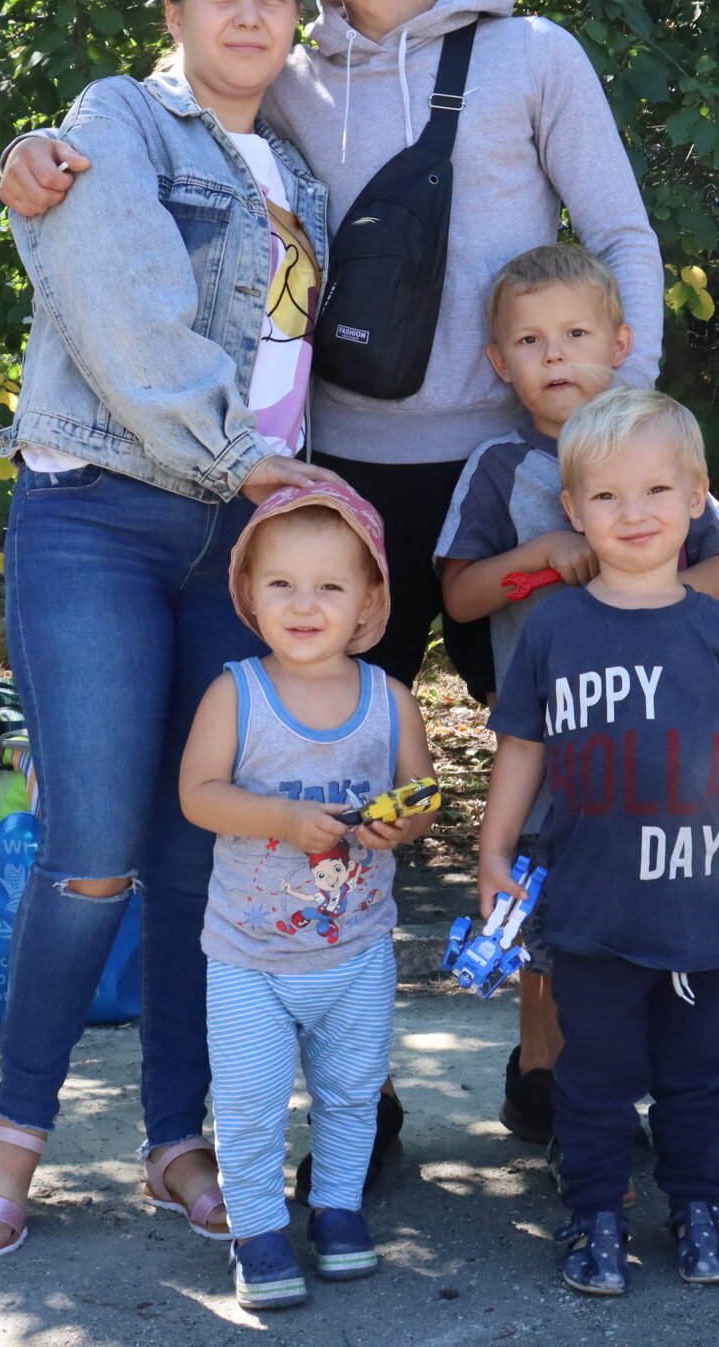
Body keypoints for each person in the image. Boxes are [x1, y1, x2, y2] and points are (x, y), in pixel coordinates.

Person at [0, 0, 667, 708]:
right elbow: (171, 119)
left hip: (517, 460)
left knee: (558, 720)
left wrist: (621, 426)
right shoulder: (284, 75)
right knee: (328, 734)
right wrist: (38, 145)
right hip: (336, 472)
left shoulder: (533, 57)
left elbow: (622, 236)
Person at [0, 0, 352, 1260]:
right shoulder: (116, 119)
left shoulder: (303, 175)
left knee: (199, 855)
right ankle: (14, 1131)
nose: (248, 14)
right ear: (173, 13)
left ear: (295, 23)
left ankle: (178, 1140)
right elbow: (120, 305)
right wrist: (241, 460)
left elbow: (295, 364)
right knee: (94, 851)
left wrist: (286, 498)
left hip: (237, 544)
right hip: (102, 513)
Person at [434, 243, 719, 1176]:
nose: (556, 355)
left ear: (621, 344)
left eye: (577, 333)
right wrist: (543, 556)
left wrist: (639, 598)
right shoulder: (501, 466)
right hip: (553, 747)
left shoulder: (653, 445)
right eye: (530, 340)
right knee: (552, 927)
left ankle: (697, 1097)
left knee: (680, 919)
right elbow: (461, 596)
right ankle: (565, 1103)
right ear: (498, 361)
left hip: (666, 756)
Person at [472, 386, 719, 1297]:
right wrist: (493, 850)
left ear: (696, 498)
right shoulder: (555, 627)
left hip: (702, 903)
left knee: (699, 1070)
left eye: (657, 489)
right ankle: (595, 1212)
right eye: (608, 495)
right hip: (590, 904)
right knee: (594, 1072)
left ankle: (699, 1203)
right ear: (573, 509)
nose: (635, 511)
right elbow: (522, 746)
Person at [178, 484, 438, 1309]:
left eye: (329, 585)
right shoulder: (236, 693)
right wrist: (285, 819)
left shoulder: (389, 699)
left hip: (356, 951)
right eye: (282, 583)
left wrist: (405, 821)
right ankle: (257, 1230)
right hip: (249, 956)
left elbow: (423, 795)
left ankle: (337, 1208)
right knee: (251, 1100)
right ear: (249, 593)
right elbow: (198, 795)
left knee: (353, 1091)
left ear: (369, 602)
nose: (303, 604)